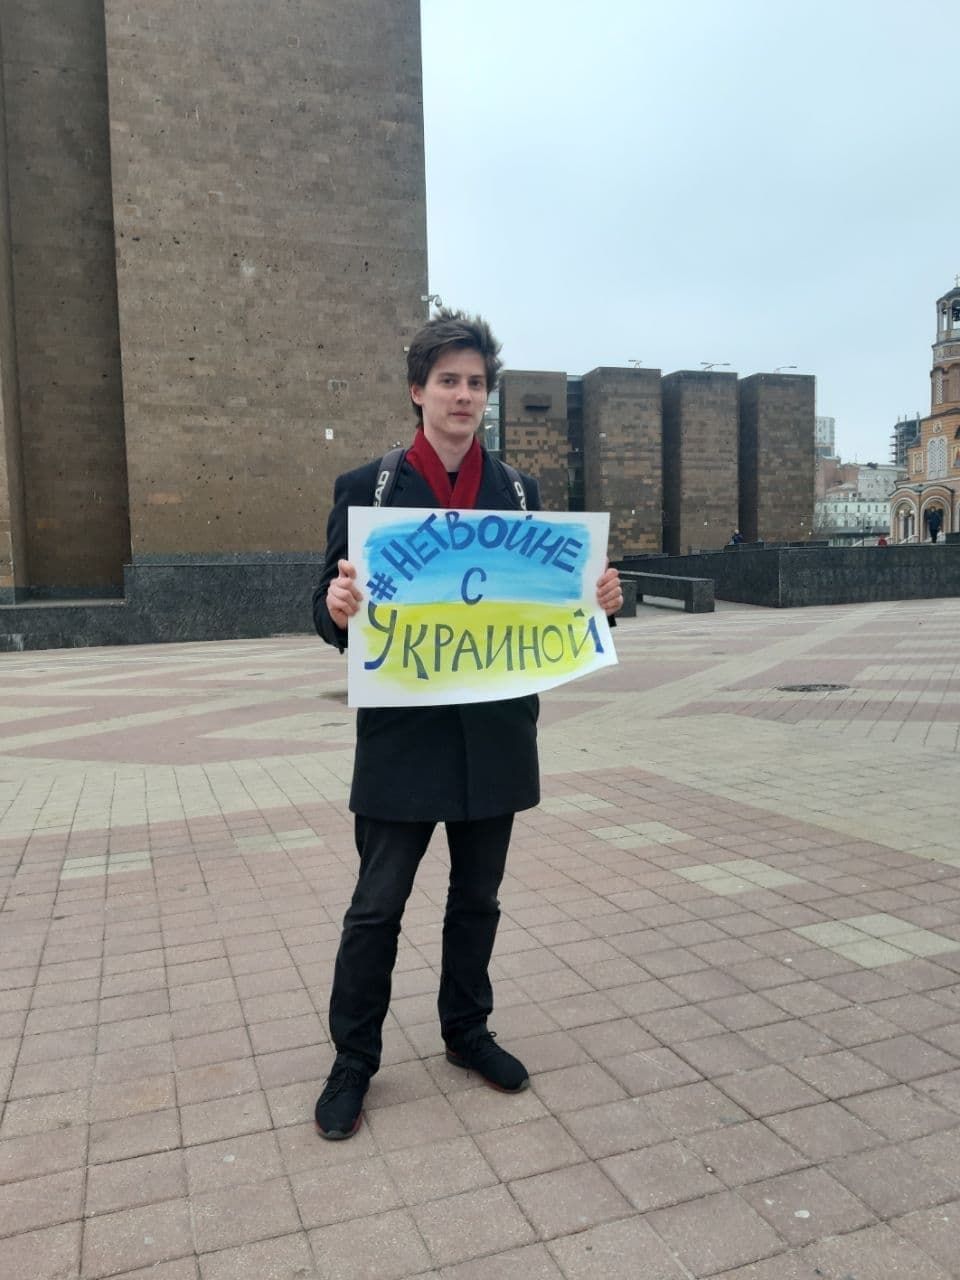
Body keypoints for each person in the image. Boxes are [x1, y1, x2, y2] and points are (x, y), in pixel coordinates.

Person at [311, 309, 623, 1140]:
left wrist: (601, 603)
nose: (463, 395)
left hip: (494, 737)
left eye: (476, 382)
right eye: (447, 380)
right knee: (376, 907)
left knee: (477, 899)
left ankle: (466, 1030)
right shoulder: (368, 490)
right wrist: (336, 608)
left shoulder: (519, 494)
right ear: (418, 391)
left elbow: (557, 609)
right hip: (401, 740)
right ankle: (353, 1059)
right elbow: (325, 608)